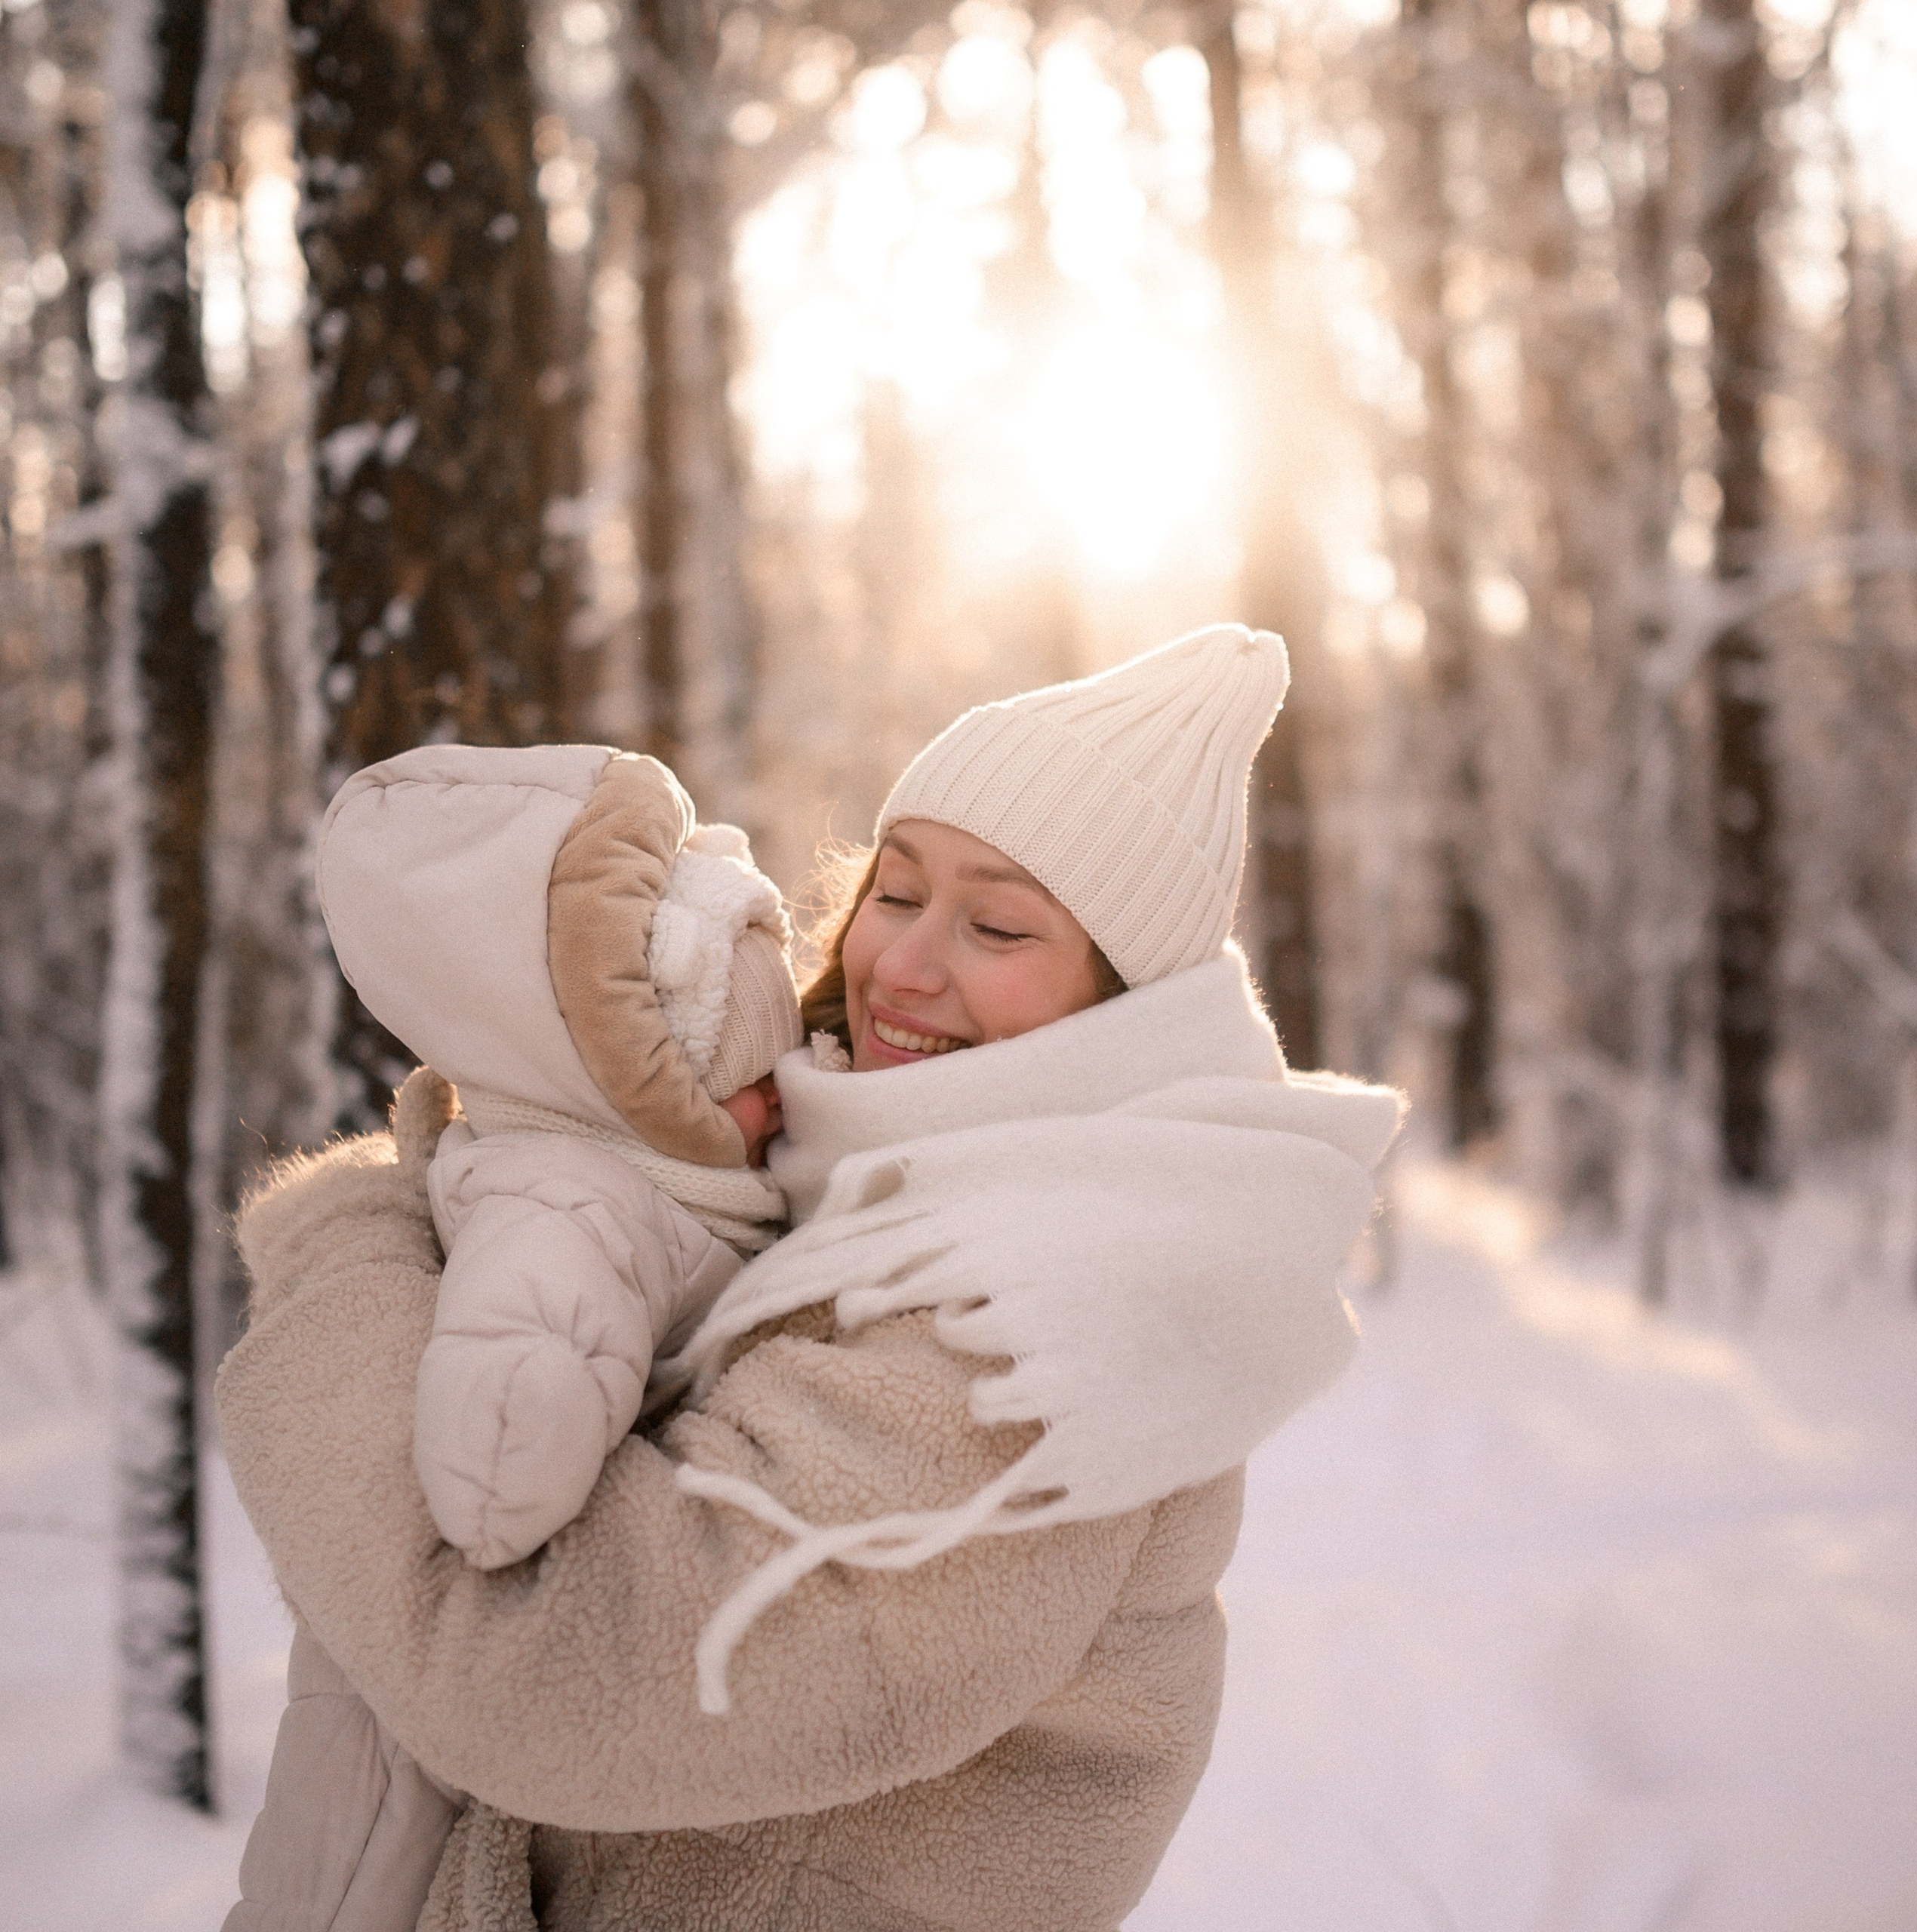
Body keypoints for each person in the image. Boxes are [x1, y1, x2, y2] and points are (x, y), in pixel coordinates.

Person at [218, 623, 1404, 1932]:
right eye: (897, 891)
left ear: (1117, 1005)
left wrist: (348, 1243)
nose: (903, 963)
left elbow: (542, 1676)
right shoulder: (837, 1177)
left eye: (998, 924)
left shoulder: (1047, 1325)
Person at [224, 743, 802, 1930]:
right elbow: (499, 1436)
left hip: (468, 1729)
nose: (786, 1092)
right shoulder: (573, 1198)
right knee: (348, 1868)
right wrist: (522, 1436)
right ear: (645, 1077)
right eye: (752, 1075)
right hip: (409, 1701)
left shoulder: (642, 1179)